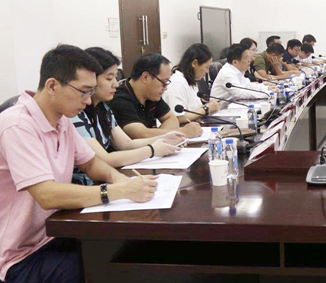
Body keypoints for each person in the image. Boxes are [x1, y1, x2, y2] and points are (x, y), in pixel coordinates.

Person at [0, 45, 158, 283]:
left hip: (44, 236)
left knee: (120, 247)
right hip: (11, 258)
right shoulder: (17, 126)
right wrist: (115, 192)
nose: (88, 101)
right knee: (107, 268)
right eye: (83, 92)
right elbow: (47, 194)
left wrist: (124, 183)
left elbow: (92, 164)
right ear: (52, 85)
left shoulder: (61, 119)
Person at [71, 47, 186, 185]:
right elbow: (103, 159)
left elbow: (126, 144)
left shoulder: (103, 108)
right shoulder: (74, 112)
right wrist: (152, 150)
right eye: (109, 78)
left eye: (115, 77)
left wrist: (164, 138)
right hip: (85, 186)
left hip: (104, 181)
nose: (115, 84)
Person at [110, 53, 203, 139]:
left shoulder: (151, 94)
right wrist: (182, 132)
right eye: (163, 82)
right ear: (145, 77)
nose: (165, 88)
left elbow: (172, 119)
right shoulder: (120, 99)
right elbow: (140, 134)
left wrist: (157, 135)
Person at [164, 43, 221, 123]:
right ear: (194, 63)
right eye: (206, 67)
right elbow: (177, 118)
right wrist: (206, 109)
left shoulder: (191, 80)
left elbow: (194, 110)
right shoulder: (178, 83)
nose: (207, 71)